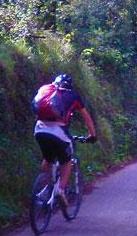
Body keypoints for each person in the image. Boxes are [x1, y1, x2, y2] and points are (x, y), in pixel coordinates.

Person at [32, 73, 97, 211]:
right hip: (58, 130)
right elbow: (87, 118)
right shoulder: (73, 96)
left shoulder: (44, 88)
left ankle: (45, 186)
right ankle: (60, 190)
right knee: (67, 160)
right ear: (69, 85)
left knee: (48, 158)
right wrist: (92, 135)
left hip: (39, 129)